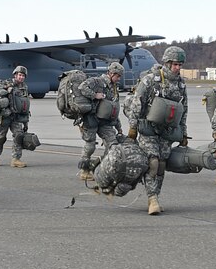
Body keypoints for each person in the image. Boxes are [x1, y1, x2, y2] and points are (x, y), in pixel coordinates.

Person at [125, 46, 189, 215]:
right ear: (167, 63)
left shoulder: (181, 84)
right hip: (149, 128)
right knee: (153, 162)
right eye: (175, 64)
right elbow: (137, 103)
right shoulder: (150, 80)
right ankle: (152, 198)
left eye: (180, 64)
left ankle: (155, 196)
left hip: (166, 131)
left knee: (161, 165)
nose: (177, 68)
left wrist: (183, 132)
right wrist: (132, 127)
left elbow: (184, 109)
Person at [75, 62, 124, 180]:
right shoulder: (97, 81)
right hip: (91, 118)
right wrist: (94, 95)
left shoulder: (114, 88)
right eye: (118, 76)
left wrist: (119, 127)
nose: (119, 79)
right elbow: (82, 87)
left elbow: (113, 108)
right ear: (111, 73)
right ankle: (84, 171)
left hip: (105, 122)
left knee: (113, 146)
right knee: (90, 146)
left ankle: (95, 165)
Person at [0, 66, 31, 168]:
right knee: (1, 137)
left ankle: (16, 159)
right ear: (15, 75)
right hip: (5, 116)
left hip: (17, 117)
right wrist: (6, 88)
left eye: (23, 76)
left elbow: (24, 104)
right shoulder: (7, 82)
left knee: (18, 136)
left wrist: (26, 121)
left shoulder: (24, 87)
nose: (21, 77)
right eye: (20, 75)